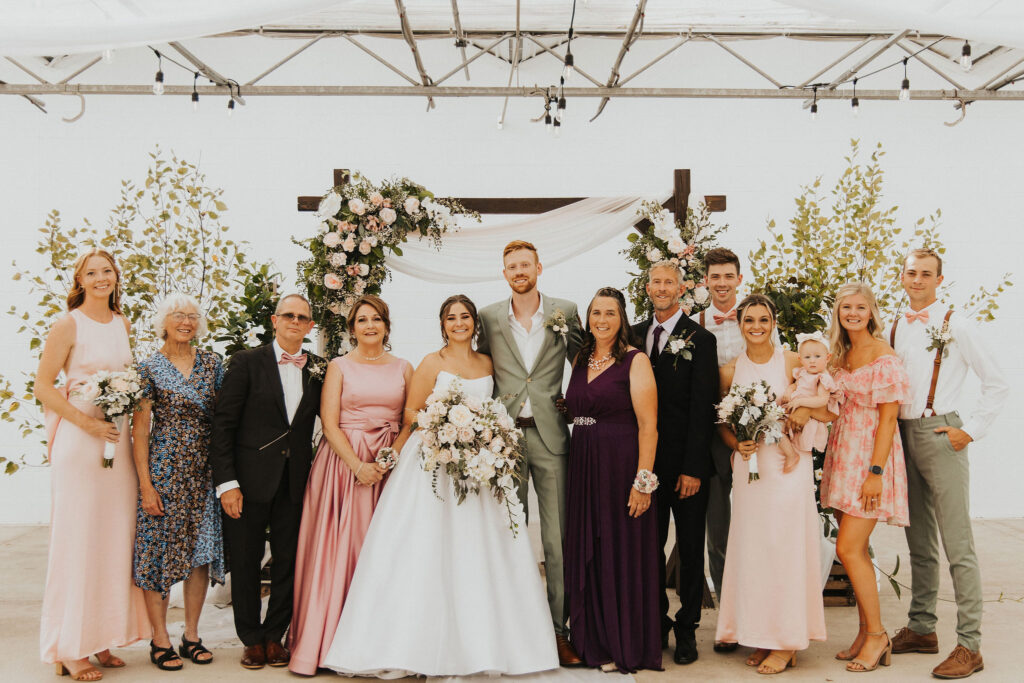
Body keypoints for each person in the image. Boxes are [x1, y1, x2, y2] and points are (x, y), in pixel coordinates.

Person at [321, 295, 558, 677]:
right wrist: (446, 430)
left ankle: (490, 644)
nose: (459, 323)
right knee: (425, 550)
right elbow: (411, 412)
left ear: (474, 323)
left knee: (480, 552)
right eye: (452, 318)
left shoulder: (487, 362)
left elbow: (498, 404)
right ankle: (414, 645)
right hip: (435, 461)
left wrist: (484, 436)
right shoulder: (432, 362)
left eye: (465, 317)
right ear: (443, 324)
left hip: (479, 467)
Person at [888, 249, 1008, 679]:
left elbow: (997, 383)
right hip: (902, 435)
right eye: (911, 272)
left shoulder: (957, 324)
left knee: (959, 545)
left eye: (926, 274)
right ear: (901, 277)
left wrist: (969, 430)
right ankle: (922, 629)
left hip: (941, 435)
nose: (917, 279)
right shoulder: (896, 323)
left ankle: (970, 645)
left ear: (940, 279)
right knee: (919, 542)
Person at [36, 249, 149, 681]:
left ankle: (100, 638)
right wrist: (86, 423)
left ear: (115, 278)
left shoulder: (122, 323)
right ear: (79, 280)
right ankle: (69, 647)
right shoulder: (69, 324)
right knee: (78, 539)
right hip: (81, 444)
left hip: (115, 443)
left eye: (107, 271)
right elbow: (43, 387)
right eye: (92, 273)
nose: (101, 278)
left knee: (112, 539)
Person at [288, 296, 412, 675]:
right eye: (362, 320)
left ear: (387, 326)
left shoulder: (405, 367)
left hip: (388, 466)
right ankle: (327, 642)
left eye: (376, 319)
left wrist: (388, 459)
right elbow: (328, 423)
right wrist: (358, 465)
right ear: (352, 327)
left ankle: (378, 640)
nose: (369, 325)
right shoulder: (339, 366)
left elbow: (410, 421)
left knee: (383, 550)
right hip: (344, 466)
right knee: (340, 549)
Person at [476, 240, 584, 666]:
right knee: (508, 535)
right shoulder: (487, 317)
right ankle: (512, 628)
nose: (519, 271)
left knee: (557, 540)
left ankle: (560, 632)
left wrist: (578, 405)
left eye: (525, 264)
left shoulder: (566, 310)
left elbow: (587, 361)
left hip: (552, 436)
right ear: (504, 273)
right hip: (504, 440)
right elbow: (477, 368)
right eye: (511, 266)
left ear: (539, 266)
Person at [210, 294, 325, 670]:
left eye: (302, 317)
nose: (295, 321)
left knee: (288, 561)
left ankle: (275, 635)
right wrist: (227, 484)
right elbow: (223, 426)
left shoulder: (319, 369)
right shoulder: (246, 362)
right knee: (244, 561)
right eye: (288, 315)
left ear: (310, 326)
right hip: (247, 482)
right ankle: (250, 638)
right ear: (275, 321)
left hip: (295, 483)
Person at [715, 293, 825, 675]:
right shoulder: (730, 370)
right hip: (750, 470)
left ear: (774, 323)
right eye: (749, 320)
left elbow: (828, 405)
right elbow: (723, 423)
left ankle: (788, 641)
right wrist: (736, 442)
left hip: (788, 468)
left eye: (764, 319)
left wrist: (805, 410)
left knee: (785, 549)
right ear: (740, 324)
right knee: (756, 551)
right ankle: (763, 634)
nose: (757, 327)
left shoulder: (793, 361)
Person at [563, 287, 661, 673]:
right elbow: (574, 408)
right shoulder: (581, 357)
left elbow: (650, 426)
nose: (602, 320)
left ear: (622, 319)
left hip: (621, 462)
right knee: (588, 547)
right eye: (595, 313)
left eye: (610, 313)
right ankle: (592, 641)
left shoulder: (635, 361)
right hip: (584, 462)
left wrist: (643, 481)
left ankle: (623, 643)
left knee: (619, 548)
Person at [691, 247, 780, 650]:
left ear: (739, 279)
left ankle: (763, 611)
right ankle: (730, 617)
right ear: (705, 281)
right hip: (710, 436)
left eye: (729, 276)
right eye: (715, 277)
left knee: (757, 522)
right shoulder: (692, 325)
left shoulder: (759, 322)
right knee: (719, 525)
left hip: (757, 437)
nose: (722, 283)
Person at [819, 282, 910, 673]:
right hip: (842, 455)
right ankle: (863, 632)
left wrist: (875, 473)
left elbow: (889, 418)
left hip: (870, 460)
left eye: (859, 307)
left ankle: (877, 636)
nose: (852, 313)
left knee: (849, 549)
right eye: (845, 308)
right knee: (853, 549)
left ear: (871, 311)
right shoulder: (839, 354)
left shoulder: (884, 357)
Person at [630, 262, 719, 665]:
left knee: (688, 548)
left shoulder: (701, 339)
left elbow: (704, 408)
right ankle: (656, 621)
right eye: (656, 282)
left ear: (682, 288)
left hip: (685, 465)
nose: (662, 288)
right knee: (647, 547)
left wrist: (694, 468)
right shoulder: (631, 335)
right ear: (647, 288)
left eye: (669, 282)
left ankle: (687, 627)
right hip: (643, 466)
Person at [132, 293, 226, 671]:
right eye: (178, 315)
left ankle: (191, 635)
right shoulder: (149, 367)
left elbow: (225, 418)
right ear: (164, 322)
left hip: (204, 471)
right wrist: (145, 485)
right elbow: (140, 432)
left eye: (192, 316)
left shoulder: (212, 364)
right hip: (164, 470)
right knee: (157, 552)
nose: (185, 321)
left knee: (200, 553)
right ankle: (160, 639)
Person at [777, 331, 839, 473]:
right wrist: (789, 391)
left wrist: (800, 403)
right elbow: (795, 385)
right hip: (793, 409)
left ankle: (794, 456)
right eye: (807, 357)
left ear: (827, 358)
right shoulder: (802, 372)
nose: (812, 360)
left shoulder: (822, 378)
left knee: (793, 436)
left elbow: (822, 400)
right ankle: (790, 454)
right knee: (775, 428)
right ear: (800, 359)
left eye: (817, 356)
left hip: (810, 416)